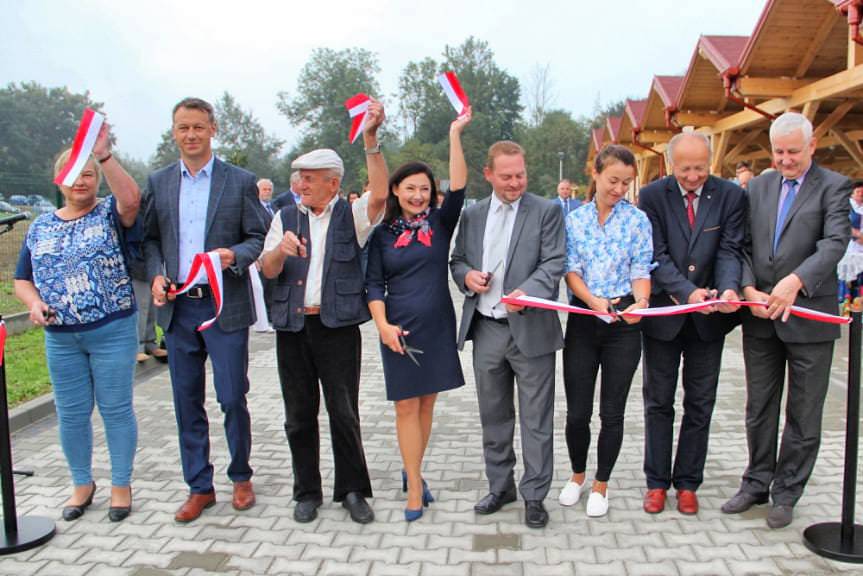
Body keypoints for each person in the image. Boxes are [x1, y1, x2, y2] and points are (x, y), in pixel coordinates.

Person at [260, 99, 389, 525]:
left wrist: (370, 139)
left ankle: (352, 490)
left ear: (333, 183)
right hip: (294, 328)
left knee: (343, 411)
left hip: (336, 327)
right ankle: (306, 491)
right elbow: (267, 268)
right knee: (298, 415)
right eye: (299, 179)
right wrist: (280, 250)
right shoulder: (283, 216)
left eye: (311, 180)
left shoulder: (350, 215)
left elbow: (381, 193)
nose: (301, 186)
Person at [722, 112, 850, 529]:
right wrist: (747, 289)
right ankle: (756, 482)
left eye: (793, 151)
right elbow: (739, 245)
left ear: (811, 146)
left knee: (804, 412)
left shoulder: (833, 186)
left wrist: (795, 282)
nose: (786, 160)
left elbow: (834, 243)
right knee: (759, 407)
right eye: (779, 152)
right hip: (760, 317)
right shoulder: (758, 186)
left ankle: (787, 492)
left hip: (810, 317)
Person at [143, 97, 268, 523]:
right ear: (174, 132)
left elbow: (258, 236)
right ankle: (199, 486)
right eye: (183, 128)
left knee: (232, 395)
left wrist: (233, 255)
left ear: (213, 129)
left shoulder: (239, 181)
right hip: (179, 309)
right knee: (186, 400)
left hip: (225, 305)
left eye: (199, 126)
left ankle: (241, 475)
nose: (191, 135)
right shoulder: (159, 182)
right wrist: (158, 273)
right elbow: (151, 240)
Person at [15, 122, 140, 522]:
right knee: (70, 413)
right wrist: (33, 304)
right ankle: (81, 484)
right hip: (61, 337)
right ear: (59, 181)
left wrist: (103, 154)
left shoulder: (108, 212)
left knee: (116, 409)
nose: (81, 181)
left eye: (88, 174)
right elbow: (22, 279)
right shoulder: (40, 226)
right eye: (72, 175)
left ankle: (121, 485)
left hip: (111, 330)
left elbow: (132, 199)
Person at [450, 140, 566, 529]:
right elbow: (458, 260)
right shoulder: (473, 215)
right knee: (494, 417)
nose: (515, 182)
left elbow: (554, 262)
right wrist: (467, 276)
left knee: (536, 419)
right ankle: (501, 487)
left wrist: (528, 293)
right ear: (488, 175)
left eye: (520, 175)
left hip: (531, 329)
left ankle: (535, 495)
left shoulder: (546, 211)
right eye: (506, 176)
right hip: (487, 329)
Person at [366, 108, 472, 522]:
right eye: (410, 189)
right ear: (395, 190)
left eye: (424, 189)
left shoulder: (440, 223)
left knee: (426, 405)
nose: (418, 196)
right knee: (405, 407)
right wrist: (382, 325)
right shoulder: (381, 234)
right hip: (398, 328)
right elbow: (373, 285)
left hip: (437, 324)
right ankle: (413, 484)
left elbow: (460, 187)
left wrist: (455, 133)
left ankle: (416, 472)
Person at [637, 132, 747, 515]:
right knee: (658, 402)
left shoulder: (731, 195)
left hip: (709, 321)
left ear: (711, 162)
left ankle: (687, 482)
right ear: (670, 165)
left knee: (700, 403)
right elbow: (656, 254)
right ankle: (656, 482)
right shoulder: (652, 197)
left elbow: (731, 249)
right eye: (685, 168)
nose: (693, 176)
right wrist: (687, 292)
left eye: (701, 167)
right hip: (666, 317)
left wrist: (729, 290)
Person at [556, 145, 653, 517]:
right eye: (613, 180)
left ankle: (602, 484)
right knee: (577, 411)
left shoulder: (637, 221)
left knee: (612, 411)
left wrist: (641, 303)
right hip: (583, 318)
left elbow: (641, 269)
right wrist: (591, 300)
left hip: (624, 324)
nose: (619, 189)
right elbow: (570, 269)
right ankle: (577, 475)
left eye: (626, 183)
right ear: (594, 174)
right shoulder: (574, 220)